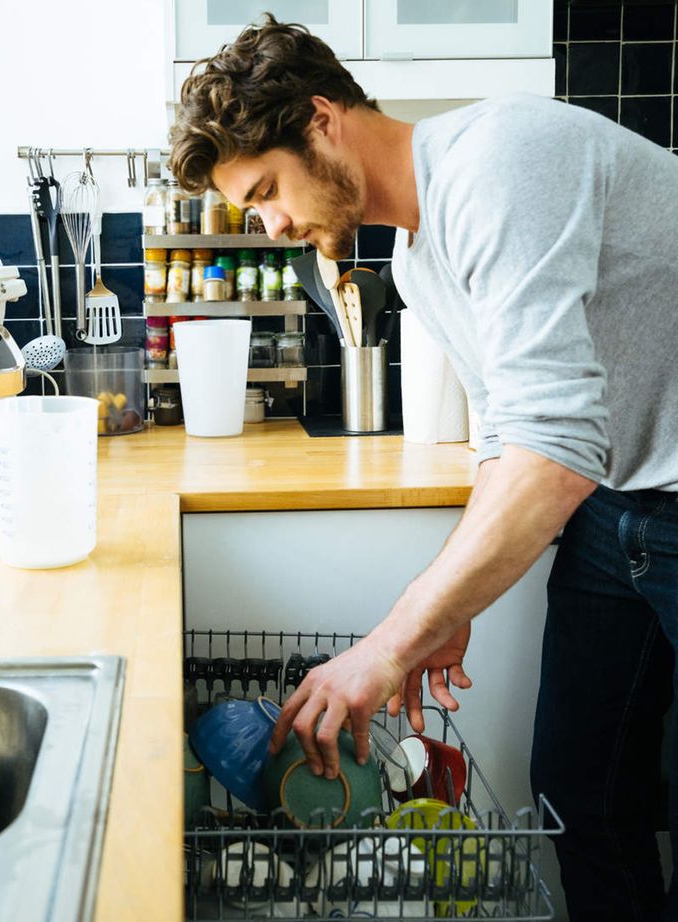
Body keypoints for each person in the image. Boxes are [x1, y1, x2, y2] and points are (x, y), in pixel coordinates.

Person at [169, 15, 678, 921]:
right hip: (619, 503)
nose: (275, 224)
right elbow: (510, 442)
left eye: (266, 192)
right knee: (581, 794)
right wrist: (449, 607)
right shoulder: (414, 260)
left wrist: (392, 642)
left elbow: (554, 451)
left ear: (322, 118)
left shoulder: (502, 160)